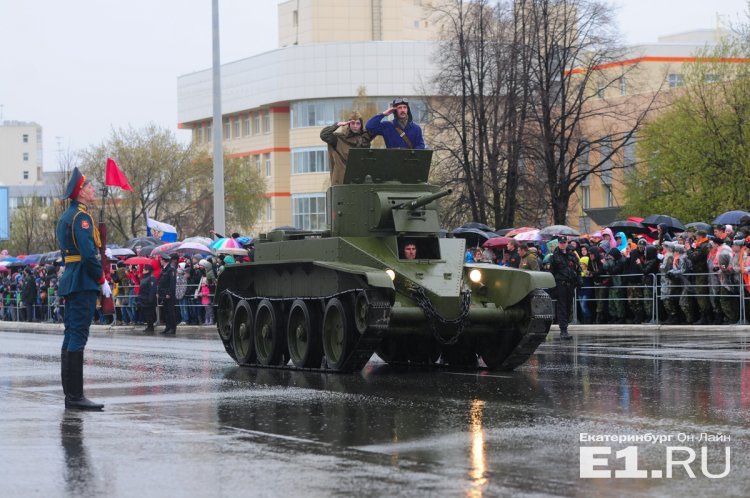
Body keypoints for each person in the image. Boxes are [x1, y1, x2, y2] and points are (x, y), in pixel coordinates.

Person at [56, 167, 107, 410]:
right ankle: (75, 397)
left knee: (70, 336)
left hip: (72, 279)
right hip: (83, 280)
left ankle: (72, 395)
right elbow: (88, 255)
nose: (93, 190)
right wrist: (102, 279)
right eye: (89, 187)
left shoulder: (67, 216)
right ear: (80, 193)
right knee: (78, 336)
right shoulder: (81, 218)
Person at [320, 111, 373, 185]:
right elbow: (324, 135)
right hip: (341, 181)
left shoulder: (364, 140)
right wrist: (338, 124)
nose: (355, 126)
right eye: (352, 123)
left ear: (361, 125)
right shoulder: (340, 139)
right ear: (348, 124)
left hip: (359, 181)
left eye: (358, 123)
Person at [549, 236, 579, 340]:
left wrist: (578, 280)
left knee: (568, 306)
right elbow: (551, 272)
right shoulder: (554, 256)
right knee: (562, 307)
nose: (563, 244)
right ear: (558, 243)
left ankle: (565, 327)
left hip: (570, 284)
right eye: (561, 242)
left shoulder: (571, 255)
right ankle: (563, 330)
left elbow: (577, 268)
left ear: (567, 243)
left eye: (564, 242)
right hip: (560, 284)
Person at [157, 254, 177, 335]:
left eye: (161, 260)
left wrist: (169, 293)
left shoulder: (171, 269)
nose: (160, 261)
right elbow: (161, 283)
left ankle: (173, 328)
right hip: (163, 294)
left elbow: (172, 283)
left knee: (171, 312)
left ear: (163, 260)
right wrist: (159, 292)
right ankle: (168, 327)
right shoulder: (164, 269)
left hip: (169, 295)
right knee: (166, 312)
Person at [138, 264, 157, 333]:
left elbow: (152, 289)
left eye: (144, 269)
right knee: (146, 314)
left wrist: (150, 299)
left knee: (150, 314)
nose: (142, 270)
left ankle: (150, 327)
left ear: (147, 270)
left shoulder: (151, 278)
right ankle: (149, 326)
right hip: (144, 299)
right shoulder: (144, 278)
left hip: (149, 300)